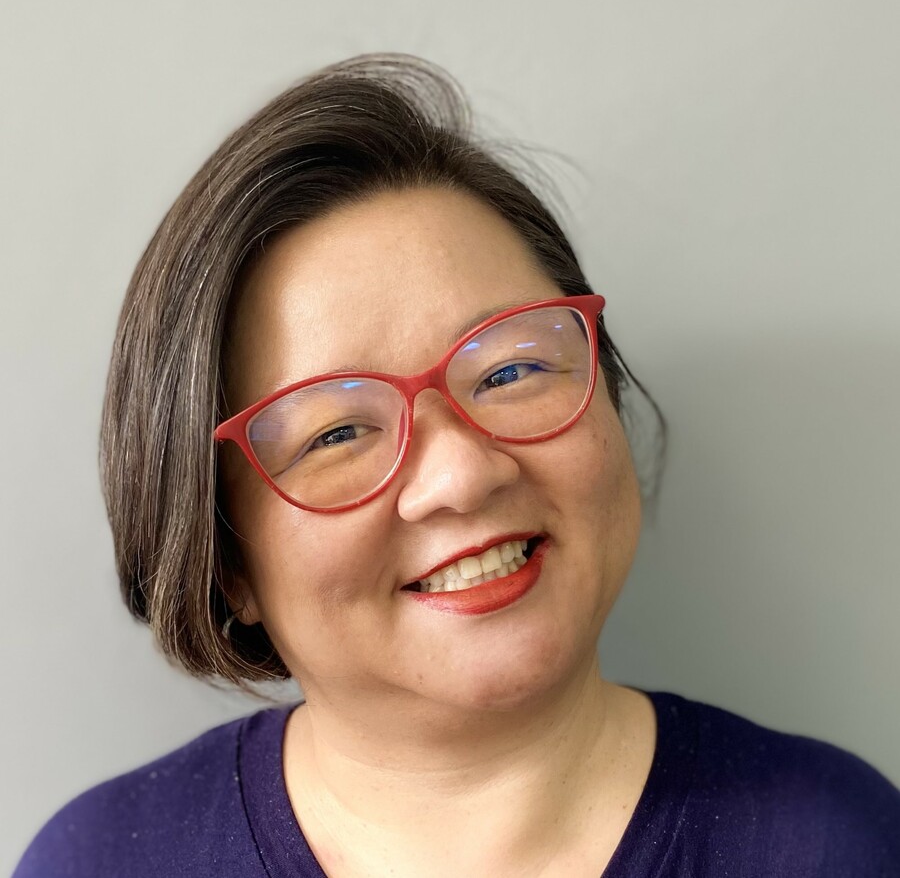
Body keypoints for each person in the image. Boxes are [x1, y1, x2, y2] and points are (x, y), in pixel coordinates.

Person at [14, 54, 900, 878]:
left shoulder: (837, 843)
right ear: (226, 560)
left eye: (510, 372)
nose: (462, 475)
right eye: (336, 433)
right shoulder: (102, 863)